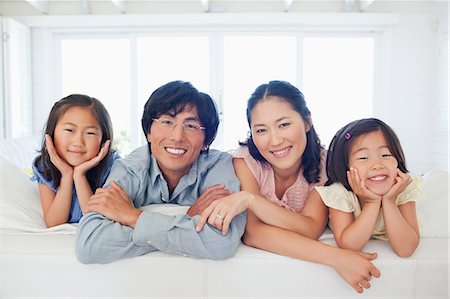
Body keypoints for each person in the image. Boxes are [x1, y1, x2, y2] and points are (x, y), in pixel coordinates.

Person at [197, 81, 381, 293]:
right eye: (261, 130)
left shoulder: (325, 164)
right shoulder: (245, 161)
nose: (275, 141)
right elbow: (254, 233)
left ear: (307, 122)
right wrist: (337, 258)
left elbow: (311, 228)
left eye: (284, 125)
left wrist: (251, 199)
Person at [75, 80, 246, 264]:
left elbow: (221, 242)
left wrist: (132, 216)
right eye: (167, 121)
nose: (177, 137)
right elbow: (89, 244)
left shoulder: (218, 166)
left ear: (206, 140)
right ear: (149, 132)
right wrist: (187, 219)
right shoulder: (130, 168)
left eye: (190, 126)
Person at [316, 118, 421, 257]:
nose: (377, 165)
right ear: (346, 167)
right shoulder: (340, 193)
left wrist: (389, 201)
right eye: (363, 158)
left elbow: (406, 249)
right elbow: (349, 245)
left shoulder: (403, 187)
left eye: (386, 155)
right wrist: (372, 202)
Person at [31, 94, 119, 227]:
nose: (78, 142)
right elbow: (54, 223)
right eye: (69, 130)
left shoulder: (113, 166)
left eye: (90, 133)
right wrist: (67, 176)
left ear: (103, 140)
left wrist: (80, 175)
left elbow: (95, 221)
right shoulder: (44, 166)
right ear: (52, 134)